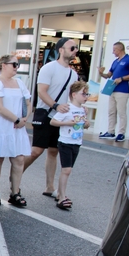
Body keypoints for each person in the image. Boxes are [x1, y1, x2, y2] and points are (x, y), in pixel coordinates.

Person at [23, 37, 78, 197]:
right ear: (61, 50)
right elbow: (41, 92)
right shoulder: (49, 68)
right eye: (72, 48)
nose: (75, 50)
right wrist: (55, 105)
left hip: (60, 116)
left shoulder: (73, 74)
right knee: (36, 151)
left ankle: (49, 186)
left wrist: (78, 109)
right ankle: (16, 178)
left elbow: (72, 96)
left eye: (76, 48)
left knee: (54, 151)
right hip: (45, 112)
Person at [0, 55, 32, 207]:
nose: (17, 67)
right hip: (0, 123)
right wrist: (16, 120)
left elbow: (28, 102)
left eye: (18, 65)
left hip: (16, 126)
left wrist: (24, 118)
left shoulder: (19, 83)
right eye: (14, 64)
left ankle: (15, 192)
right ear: (3, 65)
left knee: (19, 158)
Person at [49, 81, 90, 210]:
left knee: (68, 170)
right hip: (66, 142)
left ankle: (61, 194)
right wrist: (67, 123)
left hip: (76, 142)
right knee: (66, 170)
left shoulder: (83, 110)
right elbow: (53, 121)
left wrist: (86, 123)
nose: (86, 97)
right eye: (83, 94)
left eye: (87, 94)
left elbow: (84, 124)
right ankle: (62, 197)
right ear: (74, 94)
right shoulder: (67, 108)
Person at [98, 41, 129, 142]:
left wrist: (122, 78)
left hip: (123, 90)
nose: (113, 52)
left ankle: (121, 133)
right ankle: (111, 131)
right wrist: (101, 73)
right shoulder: (115, 61)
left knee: (121, 112)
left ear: (119, 49)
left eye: (114, 50)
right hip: (112, 89)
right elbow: (108, 75)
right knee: (111, 111)